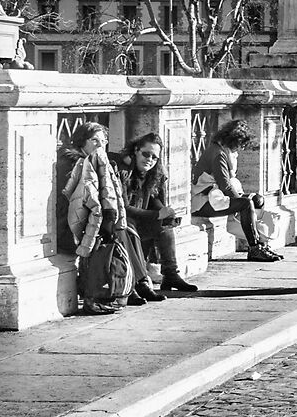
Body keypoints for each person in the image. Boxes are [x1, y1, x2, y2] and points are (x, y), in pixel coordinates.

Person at [65, 123, 159, 310]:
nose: (100, 145)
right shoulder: (77, 162)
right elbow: (82, 197)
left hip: (95, 216)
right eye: (94, 140)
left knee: (127, 230)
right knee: (123, 230)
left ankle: (137, 283)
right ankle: (135, 284)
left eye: (103, 141)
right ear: (82, 141)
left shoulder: (101, 161)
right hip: (79, 219)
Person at [195, 119, 282, 262]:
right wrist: (240, 201)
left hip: (215, 197)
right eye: (240, 145)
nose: (241, 149)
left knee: (257, 199)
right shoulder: (218, 154)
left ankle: (261, 244)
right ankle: (255, 247)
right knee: (246, 204)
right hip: (203, 201)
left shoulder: (223, 151)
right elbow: (225, 186)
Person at [123, 133, 198, 294]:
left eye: (154, 157)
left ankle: (170, 274)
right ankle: (139, 281)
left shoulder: (152, 174)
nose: (149, 159)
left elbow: (153, 199)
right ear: (136, 151)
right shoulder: (124, 171)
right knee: (140, 224)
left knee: (165, 225)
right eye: (145, 154)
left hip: (139, 223)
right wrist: (157, 215)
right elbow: (124, 207)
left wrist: (165, 213)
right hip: (123, 227)